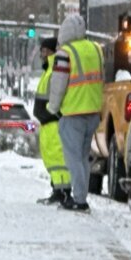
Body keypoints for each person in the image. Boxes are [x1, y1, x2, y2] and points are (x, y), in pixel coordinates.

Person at [46, 13, 104, 212]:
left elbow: (58, 85)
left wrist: (53, 108)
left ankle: (79, 200)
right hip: (93, 112)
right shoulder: (96, 49)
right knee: (83, 157)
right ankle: (82, 195)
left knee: (73, 158)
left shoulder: (65, 53)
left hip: (72, 113)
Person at [31, 36, 72, 205]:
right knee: (51, 159)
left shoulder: (55, 69)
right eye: (41, 50)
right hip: (47, 123)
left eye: (45, 50)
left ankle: (64, 192)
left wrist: (52, 113)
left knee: (59, 159)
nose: (42, 54)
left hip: (54, 122)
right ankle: (57, 189)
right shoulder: (48, 70)